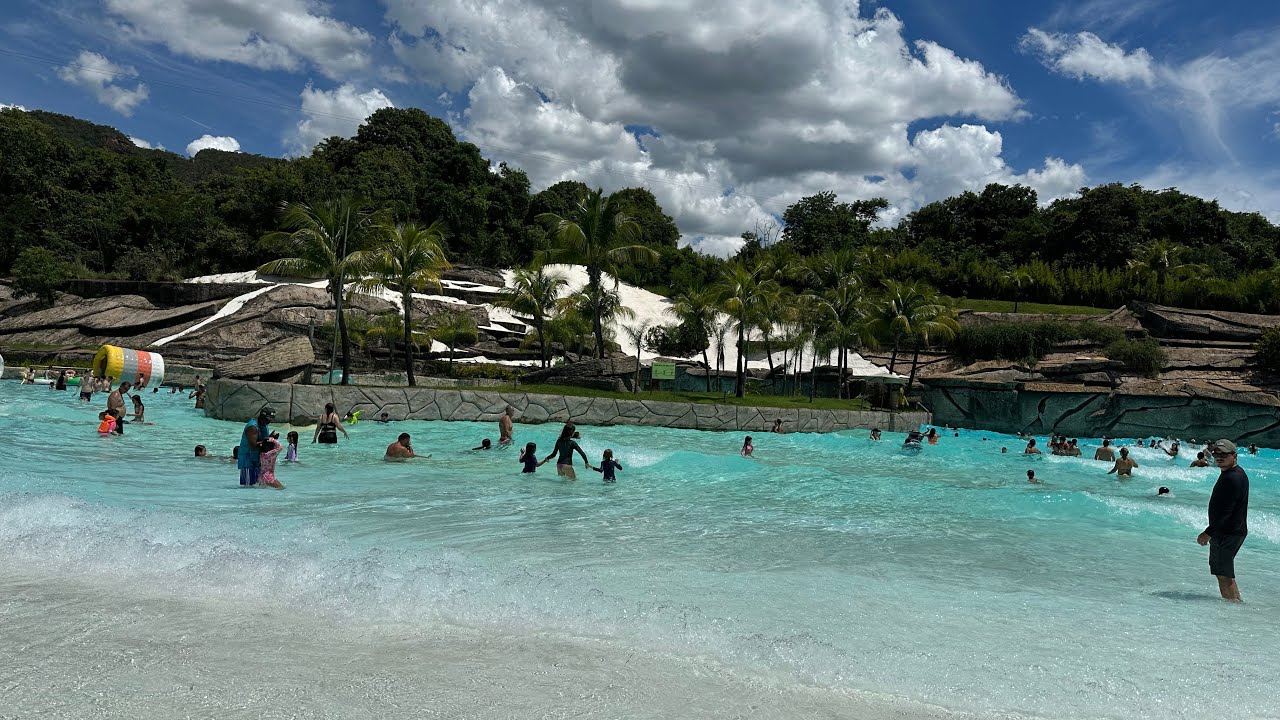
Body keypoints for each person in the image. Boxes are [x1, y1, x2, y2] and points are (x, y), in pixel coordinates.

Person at [1197, 439, 1249, 601]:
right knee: (1225, 573)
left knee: (1223, 574)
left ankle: (1234, 611)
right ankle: (1236, 607)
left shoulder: (1232, 478)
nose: (1219, 457)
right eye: (1216, 454)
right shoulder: (1235, 473)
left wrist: (1209, 532)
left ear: (1234, 455)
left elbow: (1227, 510)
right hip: (1232, 530)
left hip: (1226, 532)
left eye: (1224, 454)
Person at [237, 406, 275, 486]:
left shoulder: (264, 424)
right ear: (262, 417)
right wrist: (266, 441)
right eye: (267, 419)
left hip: (257, 458)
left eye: (270, 420)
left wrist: (271, 438)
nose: (269, 422)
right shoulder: (253, 427)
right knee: (248, 485)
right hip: (248, 458)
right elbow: (253, 445)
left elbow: (263, 440)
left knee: (258, 483)